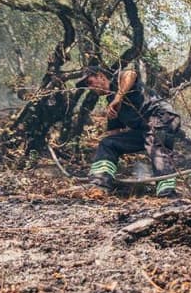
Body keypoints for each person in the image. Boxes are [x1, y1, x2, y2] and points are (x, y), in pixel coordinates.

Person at [76, 65, 181, 198]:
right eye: (87, 86)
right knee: (108, 143)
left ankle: (167, 194)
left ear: (101, 76)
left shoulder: (118, 81)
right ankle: (100, 185)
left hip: (163, 117)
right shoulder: (111, 104)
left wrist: (118, 98)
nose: (91, 88)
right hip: (145, 132)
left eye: (90, 82)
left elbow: (130, 73)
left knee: (155, 141)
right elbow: (114, 134)